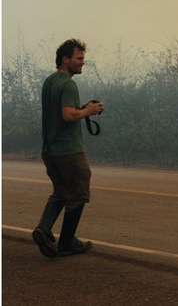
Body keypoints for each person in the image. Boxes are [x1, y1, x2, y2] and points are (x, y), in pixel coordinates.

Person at [32, 39, 104, 258]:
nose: (82, 63)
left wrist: (80, 110)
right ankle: (66, 242)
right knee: (79, 193)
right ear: (66, 59)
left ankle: (43, 230)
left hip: (50, 150)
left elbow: (62, 112)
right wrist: (88, 111)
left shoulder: (50, 82)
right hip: (69, 151)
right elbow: (67, 114)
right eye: (79, 59)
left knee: (62, 192)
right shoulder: (68, 84)